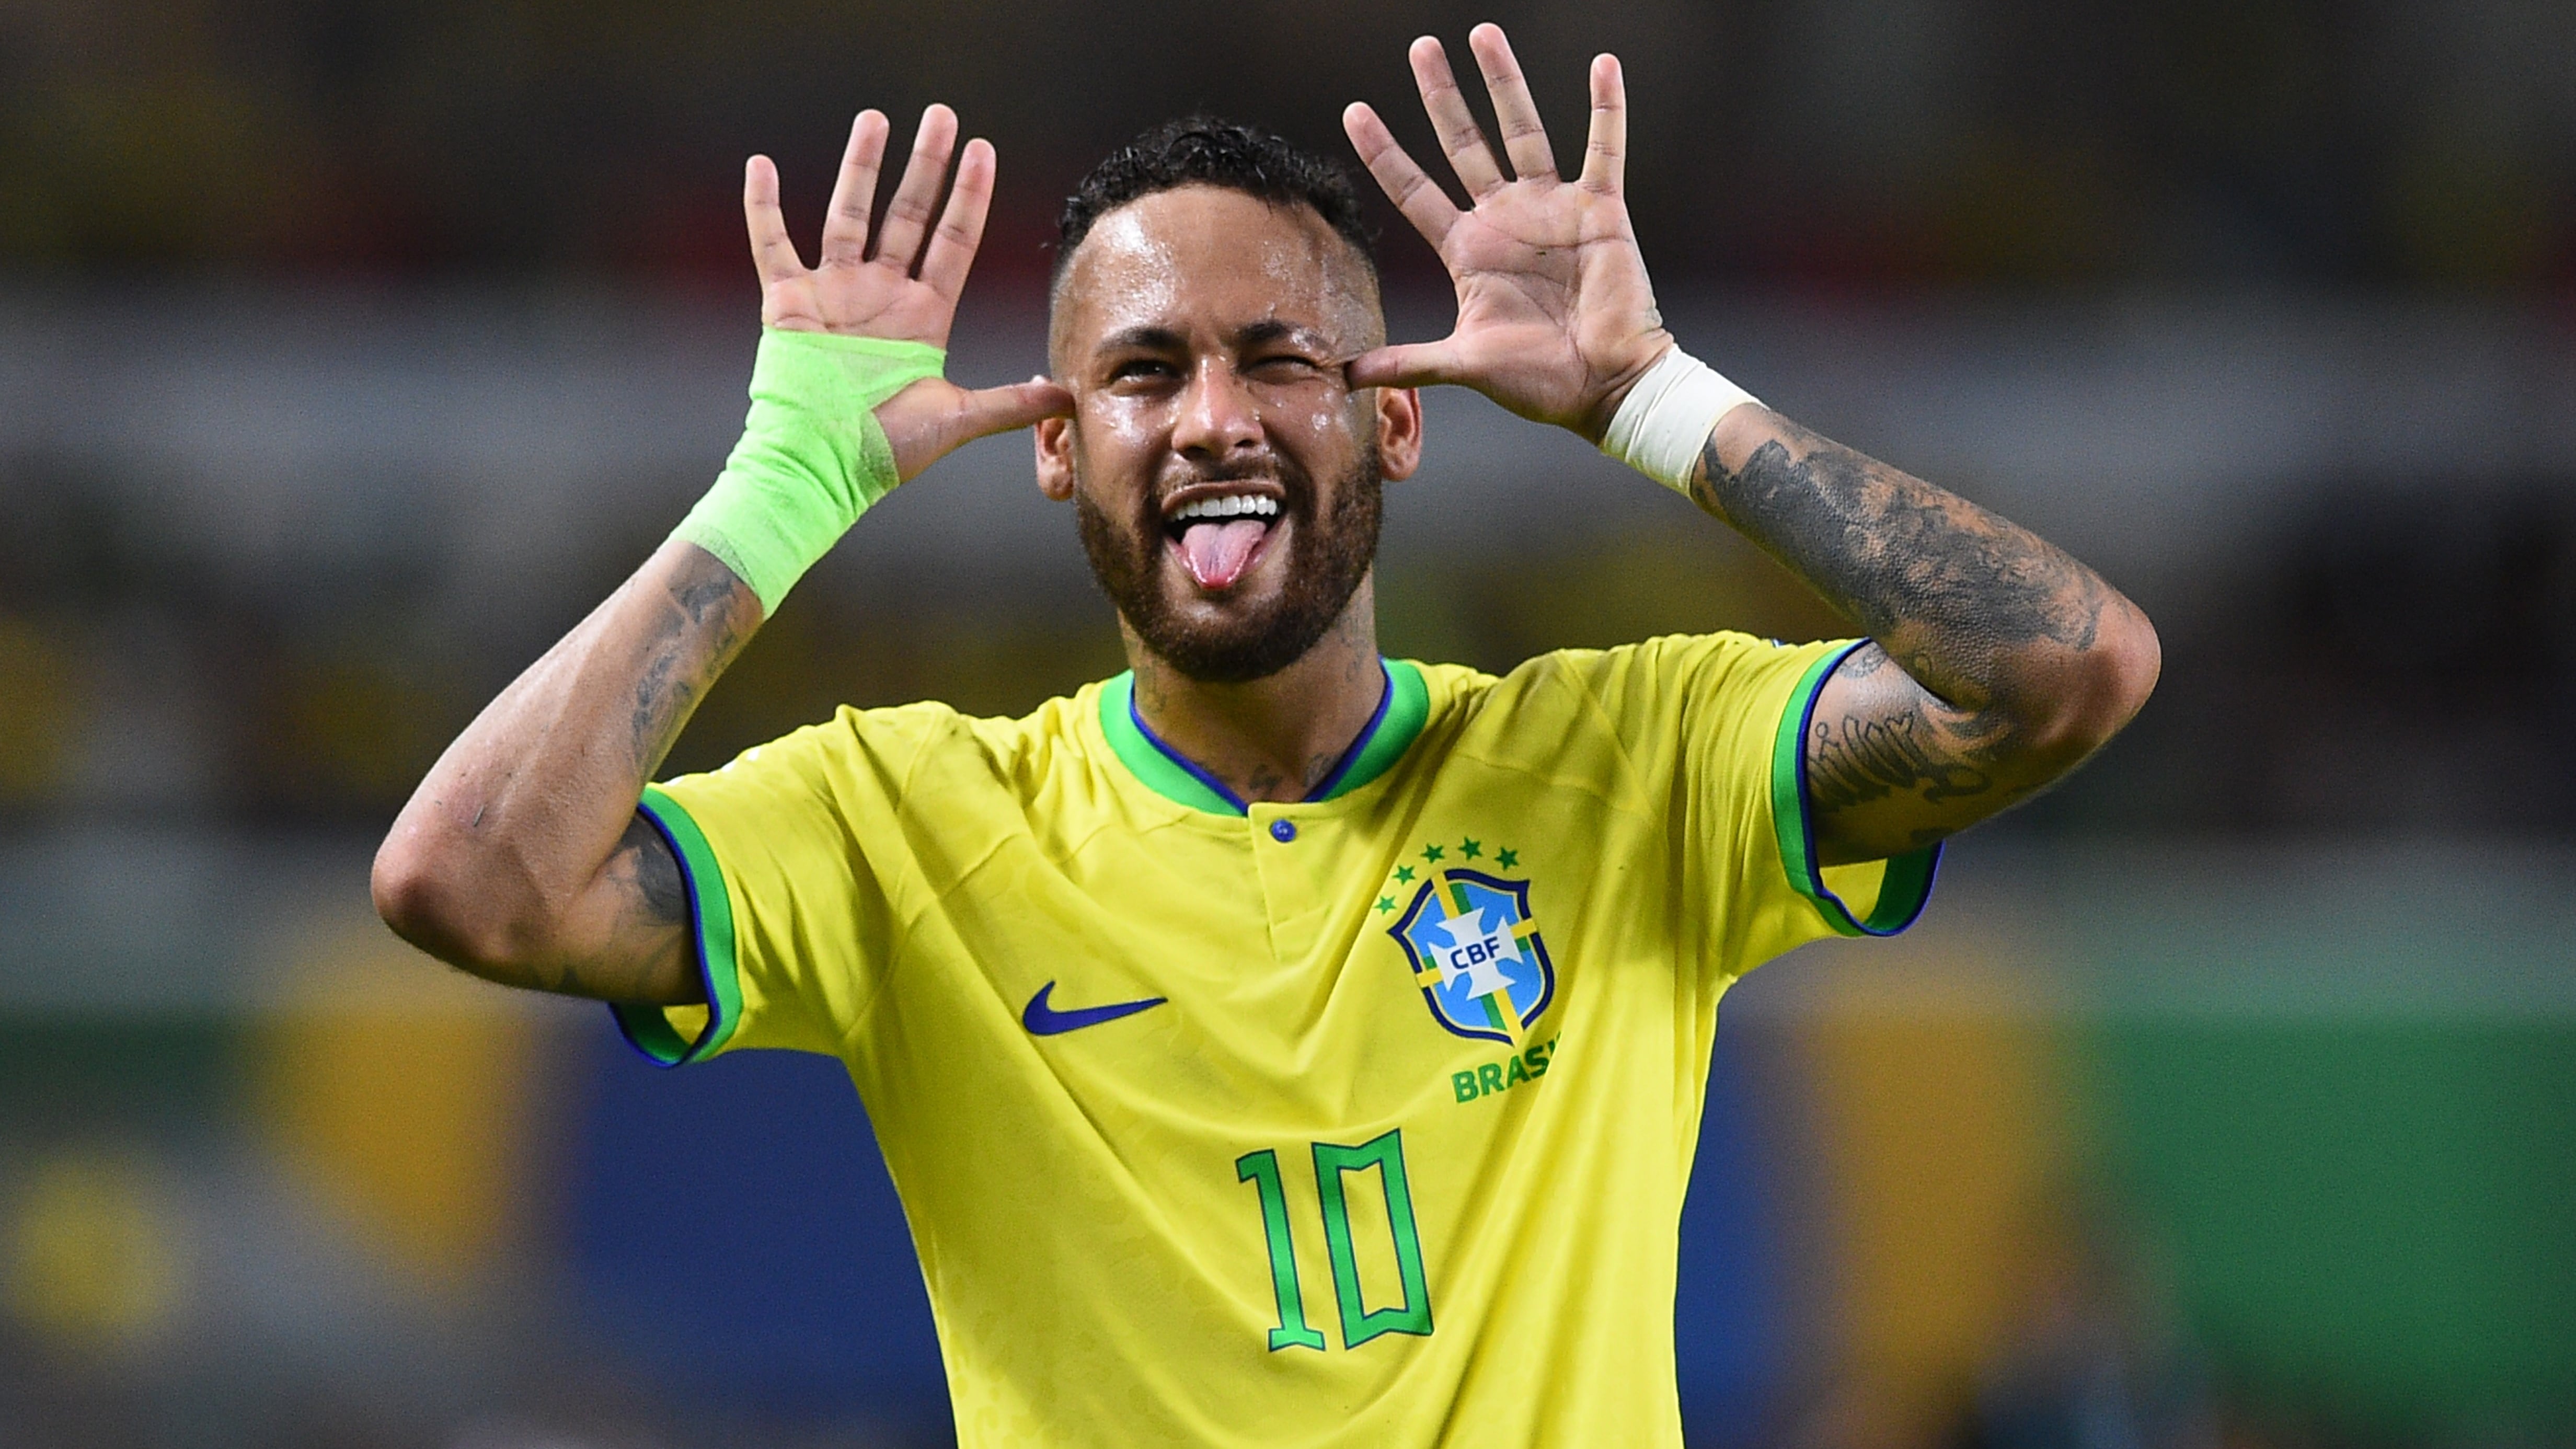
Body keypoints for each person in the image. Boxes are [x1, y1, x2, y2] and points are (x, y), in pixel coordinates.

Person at [373, 24, 2157, 1447]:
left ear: (1395, 420)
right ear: (1059, 447)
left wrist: (1654, 400)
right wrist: (776, 496)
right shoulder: (910, 823)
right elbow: (469, 878)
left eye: (1282, 357)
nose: (1214, 418)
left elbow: (2065, 669)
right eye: (1143, 374)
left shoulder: (1636, 766)